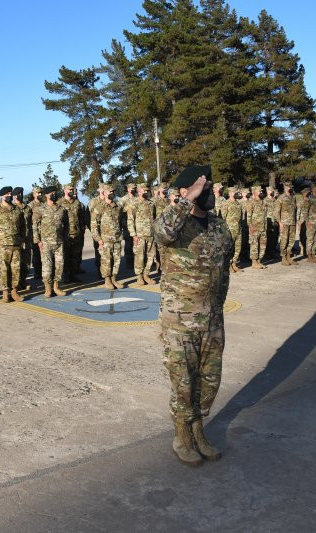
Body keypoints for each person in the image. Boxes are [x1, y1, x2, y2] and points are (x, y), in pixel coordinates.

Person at [154, 164, 232, 466]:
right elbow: (161, 232)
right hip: (180, 320)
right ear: (186, 192)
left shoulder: (218, 225)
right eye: (203, 186)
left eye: (210, 186)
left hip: (212, 318)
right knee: (183, 381)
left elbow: (224, 270)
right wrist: (187, 198)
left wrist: (217, 307)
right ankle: (182, 436)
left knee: (210, 380)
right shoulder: (175, 225)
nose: (209, 191)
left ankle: (199, 430)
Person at [0, 186, 25, 303]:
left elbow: (23, 226)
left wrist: (21, 239)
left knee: (16, 269)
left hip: (16, 244)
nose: (9, 196)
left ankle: (14, 291)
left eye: (10, 194)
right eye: (7, 194)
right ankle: (5, 293)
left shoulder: (17, 210)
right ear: (2, 196)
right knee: (3, 269)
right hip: (2, 245)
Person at [33, 186, 67, 297]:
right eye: (51, 193)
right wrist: (38, 241)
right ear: (46, 195)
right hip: (46, 243)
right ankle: (47, 288)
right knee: (47, 267)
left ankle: (56, 287)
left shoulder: (61, 209)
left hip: (59, 242)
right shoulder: (40, 209)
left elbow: (66, 225)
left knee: (59, 266)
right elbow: (34, 226)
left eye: (55, 193)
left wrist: (64, 238)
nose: (54, 195)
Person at [92, 183, 125, 290]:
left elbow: (121, 221)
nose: (112, 193)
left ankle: (114, 279)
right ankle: (107, 280)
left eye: (113, 191)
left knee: (116, 260)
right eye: (110, 192)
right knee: (106, 261)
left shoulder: (117, 206)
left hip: (117, 238)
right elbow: (94, 225)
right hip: (105, 239)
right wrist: (98, 239)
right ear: (104, 193)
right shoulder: (99, 207)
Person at [128, 183, 157, 286]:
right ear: (139, 191)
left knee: (150, 256)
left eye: (147, 191)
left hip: (151, 234)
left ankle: (146, 275)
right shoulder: (133, 203)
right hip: (139, 235)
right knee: (139, 257)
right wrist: (133, 235)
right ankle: (139, 277)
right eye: (144, 191)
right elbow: (130, 220)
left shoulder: (151, 203)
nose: (146, 192)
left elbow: (154, 218)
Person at [58, 182, 87, 282]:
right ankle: (65, 277)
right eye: (70, 190)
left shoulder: (77, 203)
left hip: (77, 234)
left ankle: (73, 275)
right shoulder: (59, 203)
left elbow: (82, 218)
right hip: (65, 235)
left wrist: (82, 229)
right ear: (65, 191)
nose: (72, 191)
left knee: (75, 257)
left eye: (73, 190)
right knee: (65, 257)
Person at [220, 186, 243, 272]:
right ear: (230, 193)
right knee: (230, 248)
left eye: (236, 192)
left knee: (238, 247)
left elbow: (240, 217)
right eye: (234, 192)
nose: (236, 193)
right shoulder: (226, 204)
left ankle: (234, 263)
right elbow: (223, 218)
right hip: (230, 229)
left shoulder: (238, 204)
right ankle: (228, 265)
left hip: (238, 229)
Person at [275, 182, 298, 266]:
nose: (290, 188)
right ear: (285, 188)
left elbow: (295, 210)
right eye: (288, 187)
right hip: (284, 222)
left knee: (291, 240)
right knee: (284, 241)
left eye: (291, 187)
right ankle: (283, 258)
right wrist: (280, 222)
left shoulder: (293, 197)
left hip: (292, 222)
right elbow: (276, 211)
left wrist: (296, 221)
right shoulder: (281, 198)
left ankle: (289, 256)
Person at [246, 185, 268, 269]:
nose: (261, 192)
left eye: (261, 191)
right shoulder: (251, 203)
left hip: (263, 228)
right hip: (254, 228)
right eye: (259, 191)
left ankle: (259, 261)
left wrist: (265, 226)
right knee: (254, 245)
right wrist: (250, 226)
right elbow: (248, 216)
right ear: (254, 192)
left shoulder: (263, 202)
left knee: (263, 245)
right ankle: (254, 262)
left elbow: (265, 216)